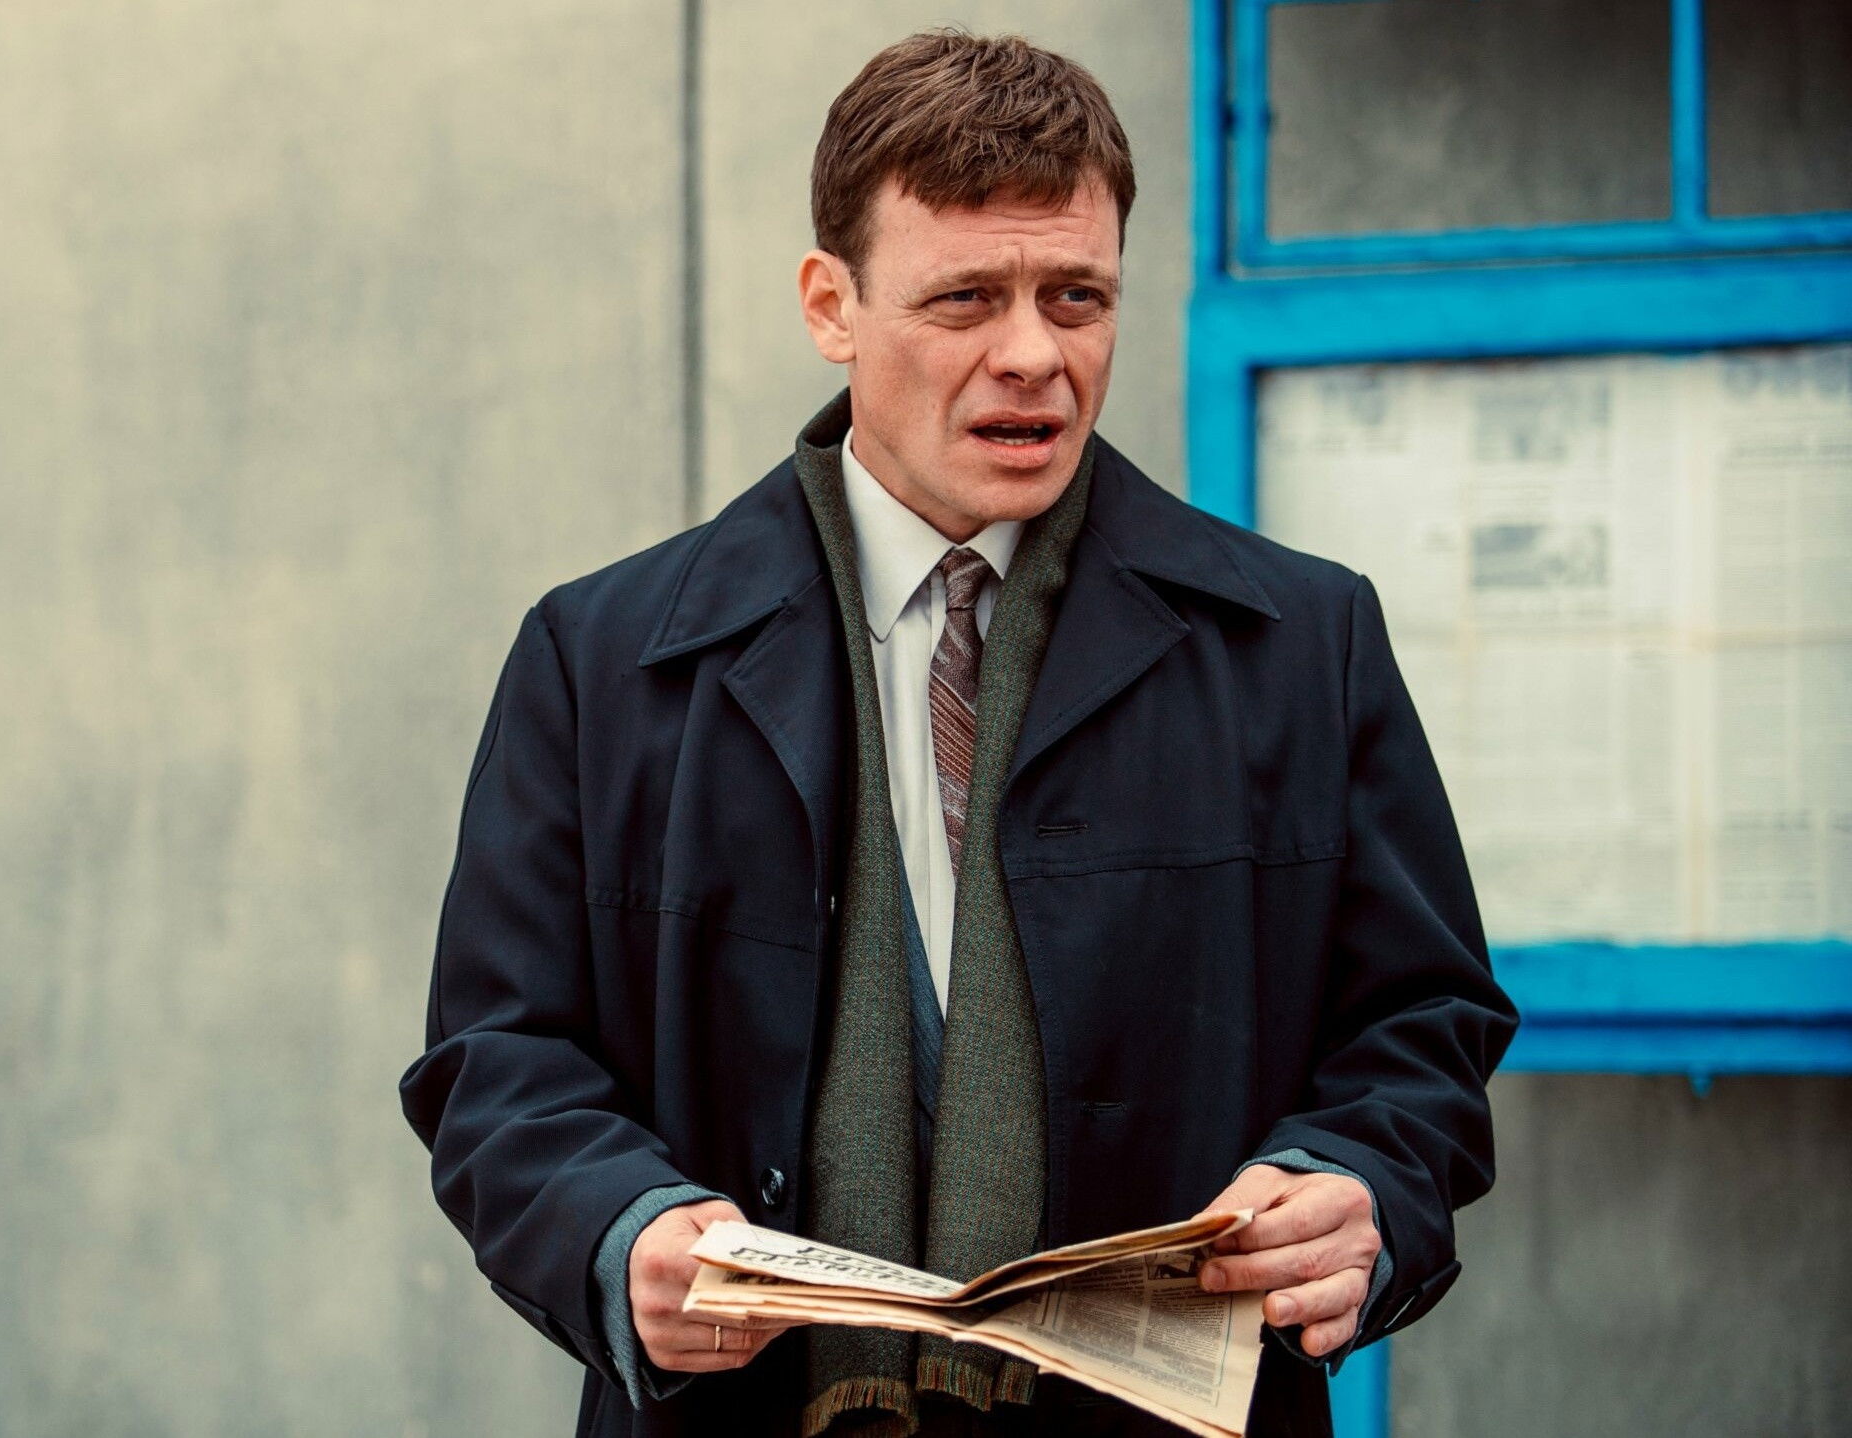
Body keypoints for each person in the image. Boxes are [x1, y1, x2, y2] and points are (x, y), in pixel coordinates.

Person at [398, 28, 1514, 1438]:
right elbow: (498, 1060)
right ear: (832, 304)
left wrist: (1360, 1186)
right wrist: (619, 1233)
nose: (1034, 355)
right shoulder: (601, 660)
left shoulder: (1302, 642)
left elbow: (1422, 1028)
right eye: (967, 298)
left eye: (1077, 296)